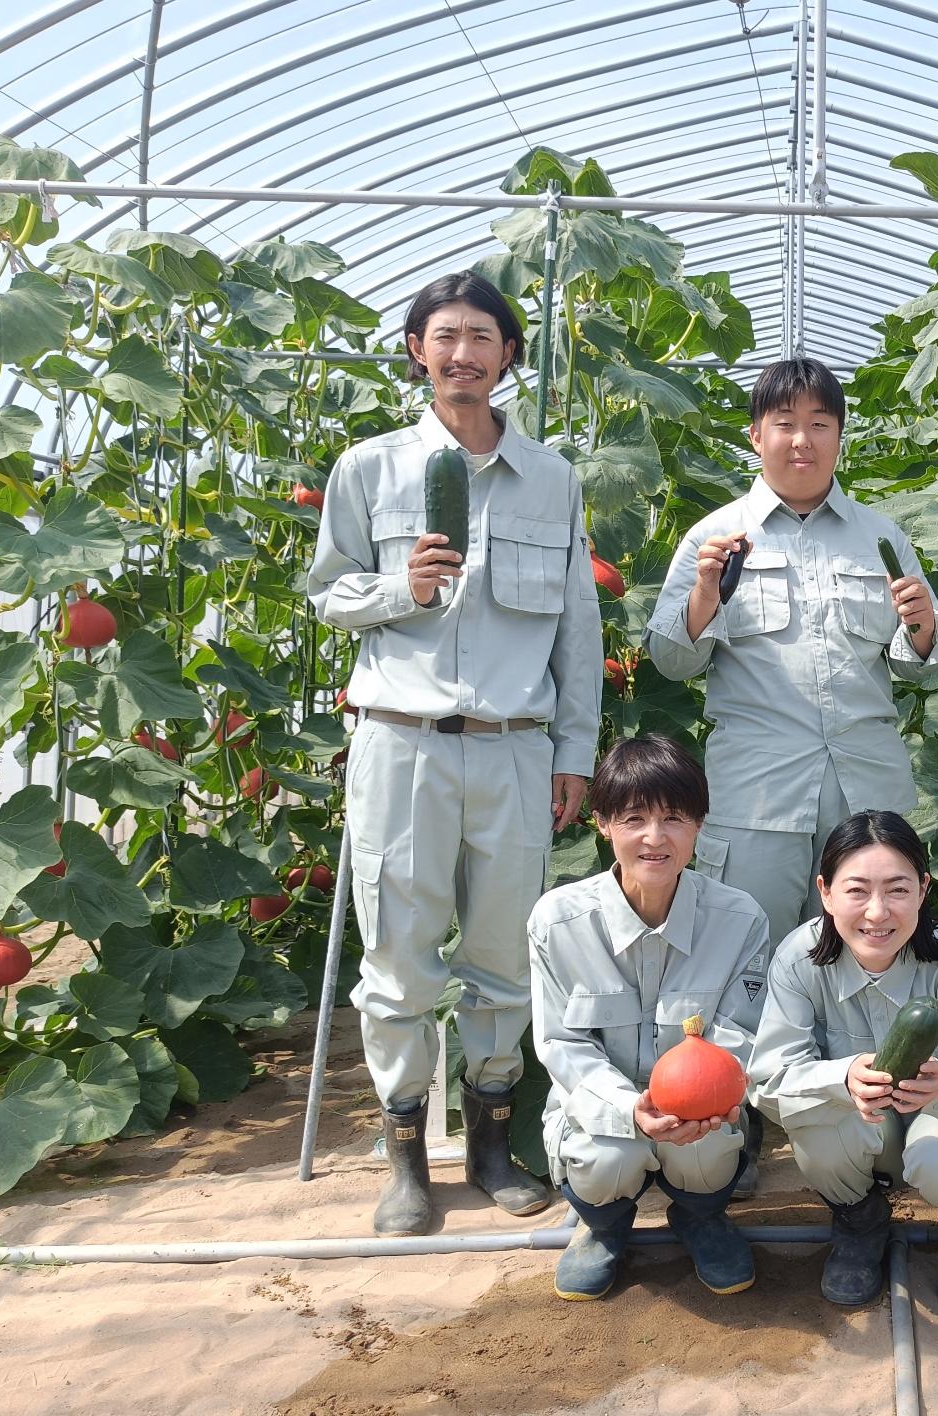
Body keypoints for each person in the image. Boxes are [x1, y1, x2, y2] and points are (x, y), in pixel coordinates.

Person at [309, 271, 600, 1237]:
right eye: (446, 335)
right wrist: (401, 589)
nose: (464, 352)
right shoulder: (369, 468)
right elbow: (327, 594)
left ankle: (489, 1141)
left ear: (508, 356)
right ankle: (404, 1159)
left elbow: (578, 633)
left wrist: (576, 753)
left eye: (483, 336)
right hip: (401, 745)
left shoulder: (553, 479)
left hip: (515, 750)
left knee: (502, 954)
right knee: (397, 955)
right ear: (416, 351)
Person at [644, 357, 938, 949]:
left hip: (865, 790)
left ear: (840, 436)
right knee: (746, 956)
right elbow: (672, 661)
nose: (802, 440)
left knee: (867, 953)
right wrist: (703, 596)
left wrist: (920, 627)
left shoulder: (881, 537)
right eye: (784, 423)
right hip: (757, 795)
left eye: (820, 424)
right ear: (756, 435)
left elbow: (918, 660)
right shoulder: (715, 537)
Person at [748, 811, 938, 1308]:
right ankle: (859, 1220)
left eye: (897, 890)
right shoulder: (799, 961)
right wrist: (841, 1078)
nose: (877, 912)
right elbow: (768, 1082)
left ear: (923, 890)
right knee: (816, 1118)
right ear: (826, 891)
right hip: (864, 1131)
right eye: (857, 890)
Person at [529, 734, 775, 1301]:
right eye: (634, 818)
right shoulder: (558, 922)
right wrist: (629, 1109)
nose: (654, 838)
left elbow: (738, 1032)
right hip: (602, 1111)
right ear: (602, 824)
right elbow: (563, 1043)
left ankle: (701, 1218)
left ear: (699, 825)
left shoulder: (740, 919)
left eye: (674, 818)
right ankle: (603, 1229)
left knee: (708, 1148)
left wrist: (698, 1102)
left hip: (702, 1114)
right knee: (604, 1152)